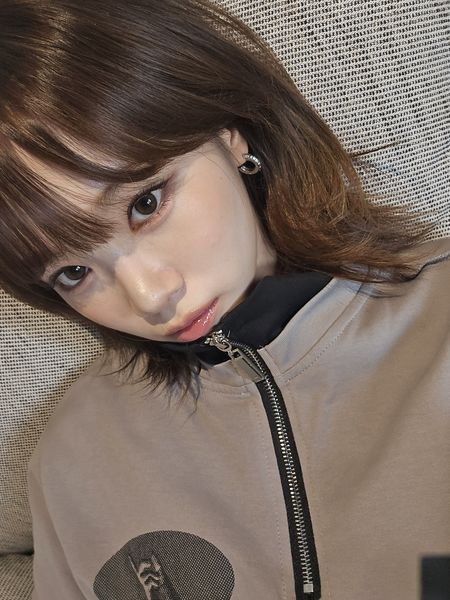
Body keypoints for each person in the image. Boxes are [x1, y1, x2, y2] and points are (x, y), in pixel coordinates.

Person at [0, 0, 449, 599]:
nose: (151, 297)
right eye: (73, 272)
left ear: (230, 134)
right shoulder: (74, 458)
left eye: (146, 204)